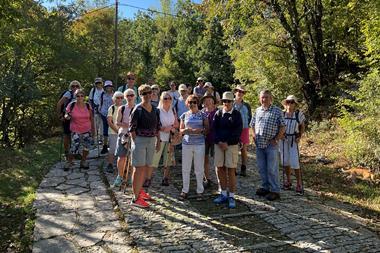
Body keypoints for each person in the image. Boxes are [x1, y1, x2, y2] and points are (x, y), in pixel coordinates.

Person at [129, 85, 161, 208]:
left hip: (151, 140)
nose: (147, 95)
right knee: (139, 168)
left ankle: (140, 191)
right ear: (140, 95)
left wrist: (158, 141)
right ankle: (135, 198)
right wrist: (135, 142)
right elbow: (132, 129)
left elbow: (157, 127)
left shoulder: (155, 109)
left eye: (149, 93)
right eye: (144, 93)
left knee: (147, 167)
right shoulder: (137, 109)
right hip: (140, 141)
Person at [251, 90, 285, 201]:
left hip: (271, 144)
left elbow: (282, 126)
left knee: (272, 168)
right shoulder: (257, 110)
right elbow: (252, 124)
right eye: (262, 97)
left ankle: (275, 190)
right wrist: (254, 135)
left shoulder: (277, 111)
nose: (263, 99)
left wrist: (277, 139)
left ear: (271, 98)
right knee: (261, 168)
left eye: (266, 97)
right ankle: (265, 187)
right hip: (259, 143)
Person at [213, 92, 243, 208]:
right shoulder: (218, 113)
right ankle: (223, 193)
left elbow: (237, 131)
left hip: (231, 145)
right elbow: (214, 129)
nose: (226, 103)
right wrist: (219, 142)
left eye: (228, 101)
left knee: (231, 170)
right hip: (219, 144)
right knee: (220, 168)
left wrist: (227, 143)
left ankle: (231, 195)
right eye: (224, 101)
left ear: (232, 102)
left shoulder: (237, 115)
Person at [179, 95, 209, 200]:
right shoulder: (184, 115)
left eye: (194, 102)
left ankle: (200, 191)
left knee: (199, 168)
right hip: (186, 144)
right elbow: (181, 130)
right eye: (190, 102)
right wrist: (187, 130)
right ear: (187, 103)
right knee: (185, 168)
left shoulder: (203, 115)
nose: (192, 104)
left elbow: (207, 129)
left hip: (199, 144)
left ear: (198, 103)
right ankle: (185, 190)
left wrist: (200, 131)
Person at [150, 92, 179, 187]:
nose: (167, 100)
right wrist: (163, 129)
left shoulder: (173, 110)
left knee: (168, 159)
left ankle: (165, 178)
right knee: (155, 158)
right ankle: (149, 178)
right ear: (161, 99)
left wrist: (170, 128)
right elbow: (154, 125)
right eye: (165, 98)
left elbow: (176, 124)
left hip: (170, 137)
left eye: (169, 98)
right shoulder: (158, 110)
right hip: (159, 137)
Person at [280, 95, 306, 194]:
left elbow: (302, 126)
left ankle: (299, 183)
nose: (289, 104)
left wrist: (299, 136)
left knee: (295, 162)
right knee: (285, 160)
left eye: (292, 102)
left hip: (293, 140)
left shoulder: (298, 114)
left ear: (295, 104)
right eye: (288, 102)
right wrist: (280, 135)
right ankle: (288, 180)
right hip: (284, 139)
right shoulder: (282, 114)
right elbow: (278, 125)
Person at [64, 89, 95, 171]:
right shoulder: (72, 105)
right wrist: (67, 116)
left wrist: (93, 130)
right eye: (78, 96)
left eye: (81, 96)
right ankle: (69, 161)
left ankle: (83, 161)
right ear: (75, 96)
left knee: (86, 147)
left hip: (87, 129)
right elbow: (66, 114)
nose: (80, 97)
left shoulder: (88, 106)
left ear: (84, 97)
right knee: (74, 147)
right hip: (75, 129)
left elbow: (91, 118)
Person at [112, 88, 136, 187]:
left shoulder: (137, 108)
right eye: (128, 96)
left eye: (131, 95)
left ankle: (130, 177)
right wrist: (127, 125)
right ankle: (120, 176)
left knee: (132, 158)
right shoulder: (122, 108)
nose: (130, 97)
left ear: (135, 96)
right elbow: (117, 122)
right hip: (123, 135)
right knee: (121, 157)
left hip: (134, 136)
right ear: (125, 97)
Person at [57, 80, 81, 159]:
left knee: (76, 135)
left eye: (77, 86)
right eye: (73, 86)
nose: (75, 87)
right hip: (67, 118)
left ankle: (75, 152)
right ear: (70, 87)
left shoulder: (80, 94)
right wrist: (60, 115)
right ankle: (67, 153)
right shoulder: (68, 93)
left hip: (77, 118)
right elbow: (59, 104)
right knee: (67, 135)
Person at [200, 92, 218, 188]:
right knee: (204, 159)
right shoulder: (202, 112)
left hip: (215, 139)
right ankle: (207, 178)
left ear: (213, 101)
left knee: (217, 160)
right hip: (204, 139)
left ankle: (220, 180)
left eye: (209, 99)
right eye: (205, 100)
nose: (207, 101)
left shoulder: (218, 112)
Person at [233, 85, 251, 177]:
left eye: (242, 92)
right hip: (234, 130)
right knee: (234, 149)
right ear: (235, 92)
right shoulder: (231, 104)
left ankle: (243, 168)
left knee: (244, 149)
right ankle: (234, 169)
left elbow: (250, 117)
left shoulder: (247, 105)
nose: (240, 93)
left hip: (244, 129)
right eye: (239, 91)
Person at [105, 91, 124, 173]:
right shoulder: (111, 108)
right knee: (112, 149)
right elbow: (109, 121)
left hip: (123, 132)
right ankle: (110, 164)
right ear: (114, 99)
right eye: (117, 97)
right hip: (113, 132)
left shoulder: (124, 108)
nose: (119, 99)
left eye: (121, 97)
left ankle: (120, 166)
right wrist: (117, 131)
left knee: (122, 149)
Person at [99, 80, 114, 155]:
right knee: (105, 129)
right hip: (104, 113)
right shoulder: (102, 94)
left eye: (110, 86)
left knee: (112, 129)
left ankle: (112, 146)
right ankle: (105, 146)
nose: (108, 88)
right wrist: (99, 110)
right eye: (107, 86)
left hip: (111, 114)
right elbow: (101, 102)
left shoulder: (114, 94)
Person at [88, 77, 104, 144]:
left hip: (103, 110)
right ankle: (94, 139)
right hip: (94, 109)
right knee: (94, 125)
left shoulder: (104, 91)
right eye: (97, 83)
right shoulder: (93, 90)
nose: (98, 84)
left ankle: (101, 139)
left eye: (99, 83)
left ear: (101, 83)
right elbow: (90, 99)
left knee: (101, 125)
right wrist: (91, 108)